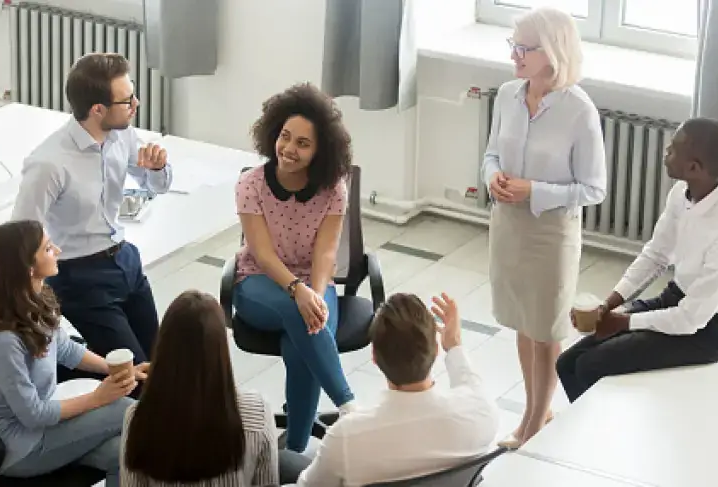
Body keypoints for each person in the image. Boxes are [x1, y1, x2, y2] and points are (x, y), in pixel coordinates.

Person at [556, 118, 718, 402]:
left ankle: (603, 435)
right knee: (567, 364)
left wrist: (623, 323)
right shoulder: (683, 191)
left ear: (694, 167)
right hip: (681, 297)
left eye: (674, 148)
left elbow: (691, 320)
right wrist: (608, 305)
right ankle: (586, 430)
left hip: (717, 327)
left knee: (592, 365)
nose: (666, 151)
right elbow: (656, 255)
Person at [482, 7, 607, 448]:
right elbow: (492, 154)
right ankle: (536, 413)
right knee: (521, 320)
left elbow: (593, 189)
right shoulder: (507, 95)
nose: (515, 55)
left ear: (552, 52)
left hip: (550, 237)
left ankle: (534, 421)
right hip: (509, 228)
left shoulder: (579, 110)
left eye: (524, 48)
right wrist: (491, 177)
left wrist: (534, 190)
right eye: (512, 45)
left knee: (546, 327)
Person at [11, 52, 172, 370]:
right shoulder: (50, 163)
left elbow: (156, 185)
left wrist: (158, 168)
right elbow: (19, 234)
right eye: (127, 100)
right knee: (135, 376)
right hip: (80, 277)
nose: (136, 104)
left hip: (125, 260)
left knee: (162, 364)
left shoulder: (121, 134)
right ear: (98, 109)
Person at [0, 220, 148, 486]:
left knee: (125, 454)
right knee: (133, 413)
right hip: (15, 447)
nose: (59, 251)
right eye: (48, 248)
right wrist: (99, 397)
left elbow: (64, 348)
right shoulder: (2, 341)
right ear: (28, 267)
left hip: (45, 430)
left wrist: (116, 369)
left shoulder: (36, 300)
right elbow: (33, 414)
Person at [232, 82, 356, 453]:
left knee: (303, 336)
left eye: (303, 143)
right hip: (258, 282)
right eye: (285, 137)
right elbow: (263, 254)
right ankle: (349, 406)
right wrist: (298, 292)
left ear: (320, 150)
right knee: (302, 316)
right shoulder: (250, 185)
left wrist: (316, 294)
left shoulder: (334, 187)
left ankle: (293, 452)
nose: (289, 149)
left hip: (312, 283)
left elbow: (326, 252)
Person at [297, 293, 499, 486]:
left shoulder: (347, 437)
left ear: (374, 357)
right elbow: (470, 382)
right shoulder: (481, 412)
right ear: (436, 351)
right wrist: (454, 345)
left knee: (285, 461)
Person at [121, 290, 311, 486]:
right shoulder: (257, 412)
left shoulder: (137, 417)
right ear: (220, 349)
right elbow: (266, 483)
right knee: (290, 462)